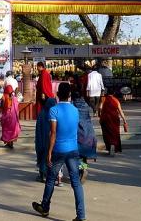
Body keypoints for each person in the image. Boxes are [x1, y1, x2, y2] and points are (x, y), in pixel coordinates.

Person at [32, 82, 86, 221]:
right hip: (73, 150)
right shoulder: (75, 110)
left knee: (50, 179)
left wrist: (49, 152)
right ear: (69, 95)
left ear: (57, 95)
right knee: (76, 183)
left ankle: (45, 207)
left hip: (58, 150)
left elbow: (53, 133)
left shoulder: (54, 110)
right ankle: (81, 215)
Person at [72, 89, 97, 183]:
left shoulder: (73, 106)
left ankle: (82, 170)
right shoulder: (86, 105)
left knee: (77, 155)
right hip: (89, 132)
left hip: (79, 133)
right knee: (85, 156)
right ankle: (84, 169)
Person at [99, 87, 127, 156]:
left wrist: (100, 114)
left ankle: (109, 148)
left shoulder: (104, 99)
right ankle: (113, 145)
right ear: (114, 93)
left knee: (106, 134)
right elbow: (120, 111)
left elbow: (100, 107)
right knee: (114, 133)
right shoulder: (116, 100)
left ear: (107, 92)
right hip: (114, 119)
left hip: (105, 119)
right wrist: (124, 120)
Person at [36, 97, 57, 183]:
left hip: (42, 139)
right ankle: (52, 175)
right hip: (52, 140)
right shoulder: (55, 113)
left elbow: (38, 128)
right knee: (51, 157)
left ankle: (42, 174)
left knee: (42, 156)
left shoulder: (41, 113)